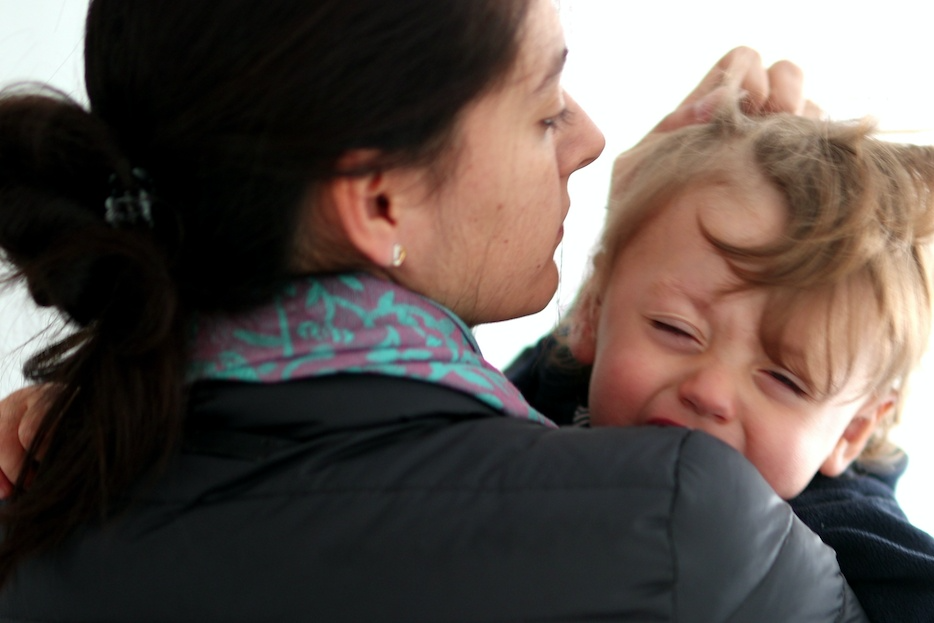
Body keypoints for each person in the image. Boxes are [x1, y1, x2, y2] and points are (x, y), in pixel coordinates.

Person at [0, 0, 867, 620]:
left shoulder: (49, 503)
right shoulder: (682, 520)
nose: (593, 139)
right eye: (544, 108)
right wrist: (828, 338)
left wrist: (622, 311)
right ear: (381, 205)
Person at [508, 102, 934, 621]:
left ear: (852, 431)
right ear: (593, 314)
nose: (709, 390)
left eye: (783, 379)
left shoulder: (843, 526)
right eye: (675, 329)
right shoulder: (552, 397)